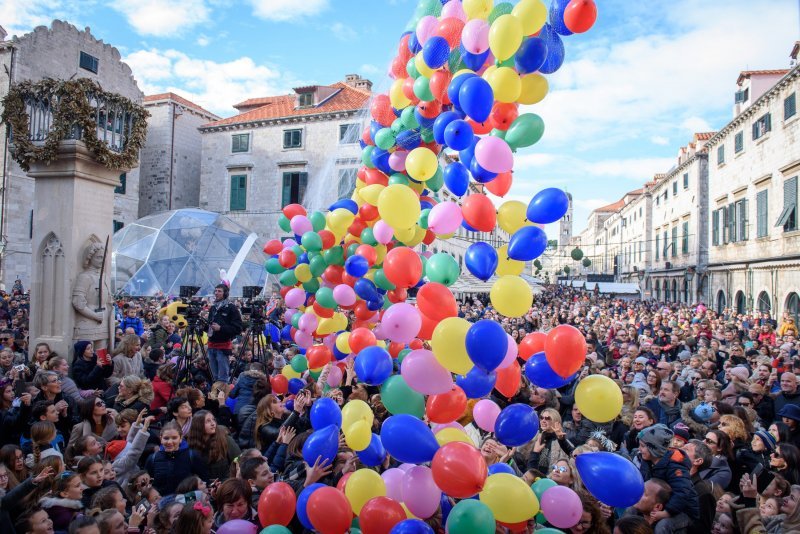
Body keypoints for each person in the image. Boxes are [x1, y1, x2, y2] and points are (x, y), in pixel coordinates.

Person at [637, 424, 699, 529]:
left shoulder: (675, 465)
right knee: (630, 511)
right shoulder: (647, 462)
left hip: (683, 510)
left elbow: (682, 491)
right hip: (658, 505)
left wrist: (667, 512)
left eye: (643, 446)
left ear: (655, 448)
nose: (639, 449)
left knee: (663, 526)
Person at [145, 422, 208, 496]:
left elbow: (205, 481)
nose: (169, 442)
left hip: (187, 505)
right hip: (161, 505)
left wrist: (189, 499)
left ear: (181, 438)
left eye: (174, 438)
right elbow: (147, 487)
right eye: (166, 438)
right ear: (161, 438)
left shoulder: (192, 456)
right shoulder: (152, 459)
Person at [206, 284, 243, 383]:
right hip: (211, 345)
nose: (216, 293)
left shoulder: (231, 308)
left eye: (219, 291)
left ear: (225, 293)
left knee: (222, 378)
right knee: (214, 377)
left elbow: (238, 328)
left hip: (222, 348)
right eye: (216, 291)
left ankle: (221, 397)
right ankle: (215, 397)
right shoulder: (213, 307)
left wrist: (221, 328)